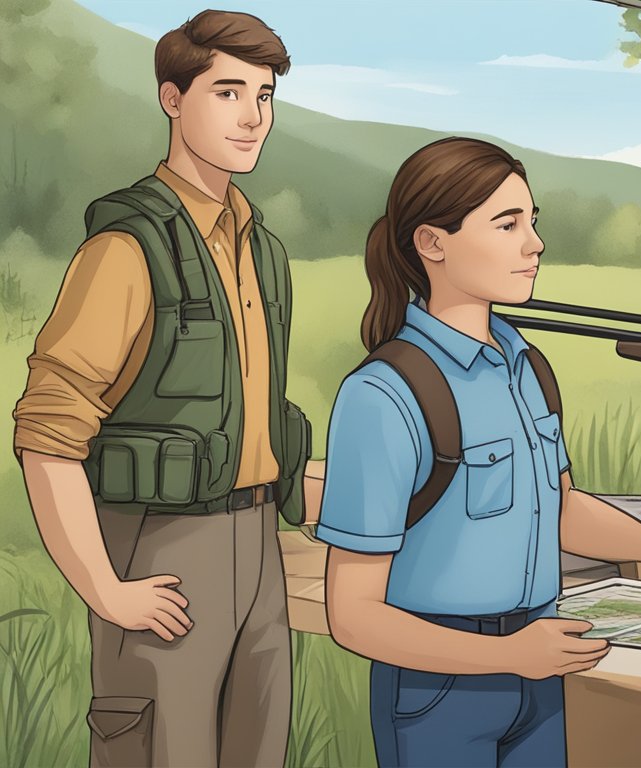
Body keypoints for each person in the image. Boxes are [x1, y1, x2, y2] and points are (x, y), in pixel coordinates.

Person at [317, 136, 641, 768]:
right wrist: (509, 656)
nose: (534, 244)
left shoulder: (526, 367)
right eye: (507, 224)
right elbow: (353, 615)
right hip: (439, 687)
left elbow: (559, 508)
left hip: (541, 665)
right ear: (432, 243)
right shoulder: (383, 394)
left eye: (533, 222)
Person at [12, 10, 313, 766]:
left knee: (259, 750)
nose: (253, 117)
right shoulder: (126, 248)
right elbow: (48, 430)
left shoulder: (263, 250)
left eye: (267, 95)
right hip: (162, 551)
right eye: (228, 92)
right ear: (172, 98)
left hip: (259, 550)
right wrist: (104, 588)